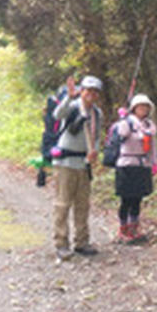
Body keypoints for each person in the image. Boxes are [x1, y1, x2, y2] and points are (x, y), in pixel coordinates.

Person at [52, 75, 103, 260]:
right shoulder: (73, 106)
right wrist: (69, 97)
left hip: (84, 164)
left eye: (95, 91)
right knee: (63, 204)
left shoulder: (97, 113)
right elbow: (57, 115)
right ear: (82, 90)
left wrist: (94, 151)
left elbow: (96, 136)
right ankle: (61, 243)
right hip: (65, 163)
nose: (91, 94)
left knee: (83, 205)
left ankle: (81, 242)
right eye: (88, 90)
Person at [114, 93, 157, 243]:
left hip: (142, 165)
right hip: (126, 165)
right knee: (126, 199)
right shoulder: (127, 122)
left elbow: (152, 146)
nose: (143, 109)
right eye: (140, 106)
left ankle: (134, 227)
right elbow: (121, 134)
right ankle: (123, 228)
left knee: (137, 199)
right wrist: (122, 119)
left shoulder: (149, 126)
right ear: (134, 108)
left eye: (146, 107)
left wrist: (154, 162)